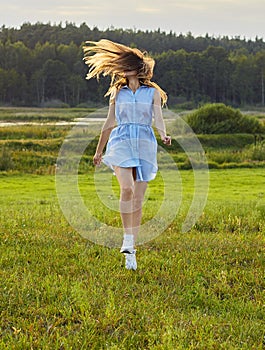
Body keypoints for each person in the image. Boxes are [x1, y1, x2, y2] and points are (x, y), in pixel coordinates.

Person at [83, 39, 171, 270]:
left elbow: (158, 119)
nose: (126, 67)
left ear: (139, 68)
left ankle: (130, 248)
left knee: (138, 200)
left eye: (130, 64)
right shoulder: (117, 92)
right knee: (127, 189)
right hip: (121, 141)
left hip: (144, 143)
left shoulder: (151, 93)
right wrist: (99, 150)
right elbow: (109, 122)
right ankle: (125, 238)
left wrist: (164, 135)